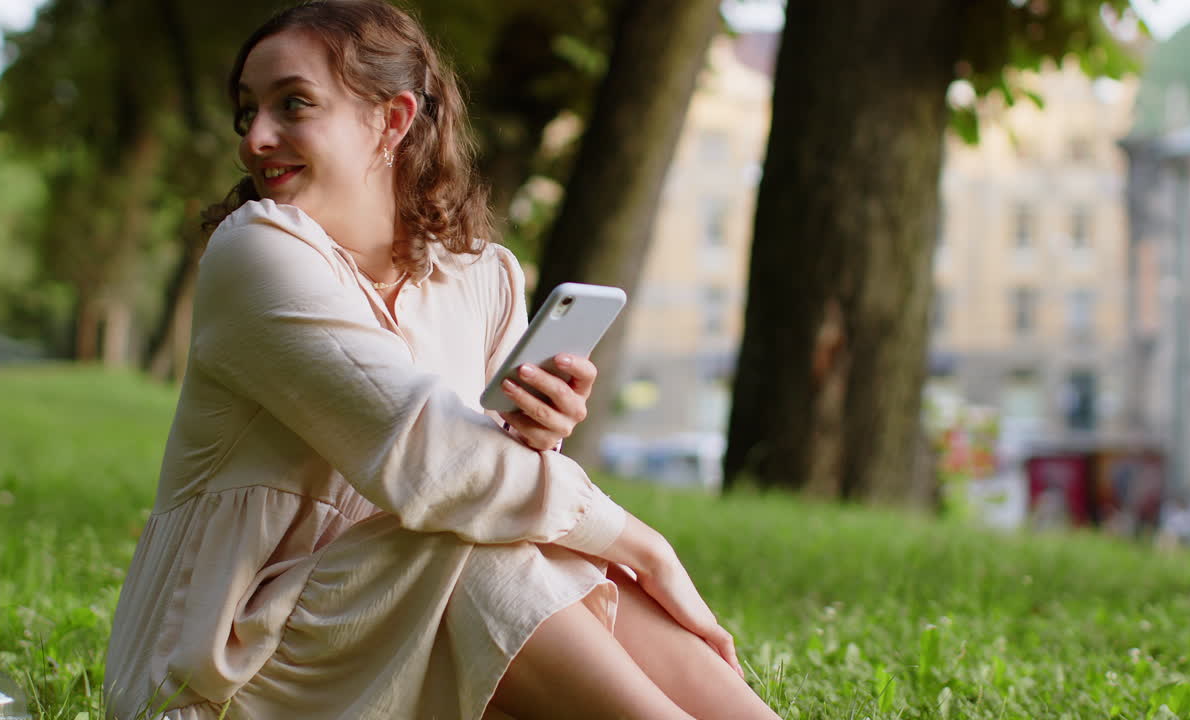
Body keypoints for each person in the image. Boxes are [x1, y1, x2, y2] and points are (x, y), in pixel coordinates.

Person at [103, 2, 779, 718]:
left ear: (392, 121)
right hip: (220, 677)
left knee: (506, 537)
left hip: (389, 635)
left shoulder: (484, 280)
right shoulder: (255, 250)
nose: (257, 138)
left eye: (292, 104)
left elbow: (490, 482)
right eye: (249, 111)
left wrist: (535, 437)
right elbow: (432, 462)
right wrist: (646, 548)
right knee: (468, 546)